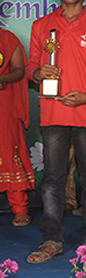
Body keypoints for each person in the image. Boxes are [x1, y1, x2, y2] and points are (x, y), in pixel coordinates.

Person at [26, 0, 86, 264]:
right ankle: (52, 239)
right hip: (53, 112)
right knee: (53, 178)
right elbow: (30, 65)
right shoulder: (41, 26)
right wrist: (38, 73)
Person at [0, 27, 35, 227]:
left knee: (8, 150)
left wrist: (3, 78)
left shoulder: (7, 38)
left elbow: (19, 69)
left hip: (4, 104)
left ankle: (20, 207)